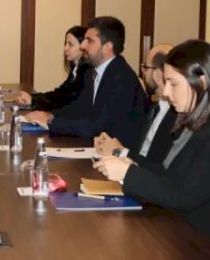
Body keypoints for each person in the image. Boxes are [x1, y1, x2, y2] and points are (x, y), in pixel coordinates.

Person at [93, 40, 210, 260]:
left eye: (173, 83)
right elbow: (169, 172)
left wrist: (128, 173)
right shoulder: (199, 117)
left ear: (202, 81)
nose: (166, 92)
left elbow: (184, 195)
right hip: (189, 234)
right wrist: (128, 163)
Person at [27, 16, 146, 148]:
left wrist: (51, 123)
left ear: (107, 47)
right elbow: (79, 108)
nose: (83, 45)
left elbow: (97, 126)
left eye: (89, 41)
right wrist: (50, 116)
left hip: (117, 154)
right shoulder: (94, 72)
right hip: (97, 146)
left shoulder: (121, 78)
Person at [94, 44, 176, 166]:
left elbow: (157, 165)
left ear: (158, 75)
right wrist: (109, 145)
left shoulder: (177, 116)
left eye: (146, 68)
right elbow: (137, 146)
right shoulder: (153, 105)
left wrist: (119, 151)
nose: (143, 72)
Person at [15, 25, 90, 111]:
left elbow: (65, 102)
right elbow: (58, 94)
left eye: (70, 44)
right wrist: (31, 97)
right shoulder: (75, 70)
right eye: (65, 44)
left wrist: (33, 100)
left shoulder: (86, 73)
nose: (65, 48)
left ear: (83, 46)